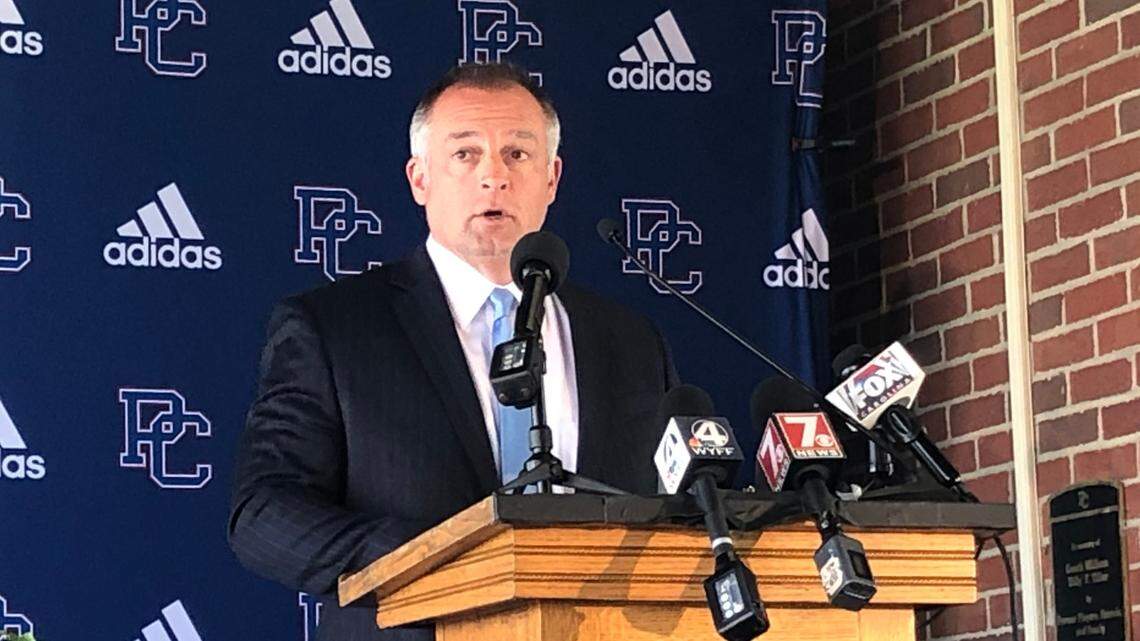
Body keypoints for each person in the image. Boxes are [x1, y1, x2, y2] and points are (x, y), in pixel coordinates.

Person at [227, 63, 677, 640]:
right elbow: (263, 516)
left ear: (552, 177)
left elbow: (676, 511)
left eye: (518, 154)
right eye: (465, 154)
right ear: (419, 179)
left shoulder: (633, 341)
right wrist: (438, 556)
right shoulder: (334, 328)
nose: (494, 176)